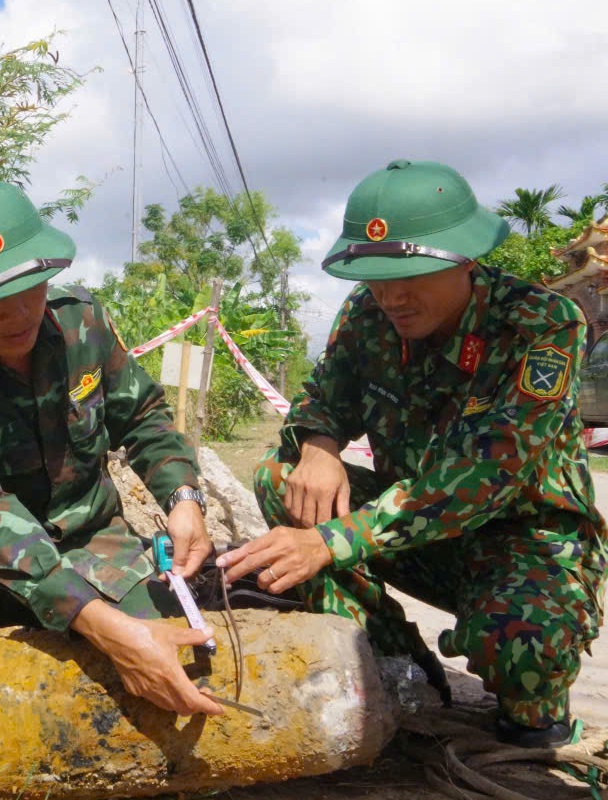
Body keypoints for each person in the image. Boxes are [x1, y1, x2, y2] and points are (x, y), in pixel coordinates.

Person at [218, 159, 607, 746]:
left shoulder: (542, 324)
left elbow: (485, 477)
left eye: (411, 276)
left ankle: (536, 702)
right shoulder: (366, 314)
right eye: (374, 274)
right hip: (415, 536)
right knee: (283, 478)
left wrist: (330, 540)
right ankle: (392, 659)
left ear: (467, 259)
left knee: (523, 655)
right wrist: (320, 445)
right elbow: (322, 397)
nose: (390, 295)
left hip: (522, 540)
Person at [0, 180, 224, 717]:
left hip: (93, 537)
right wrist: (97, 622)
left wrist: (184, 496)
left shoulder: (81, 321)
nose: (19, 311)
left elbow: (142, 416)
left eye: (31, 285)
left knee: (172, 672)